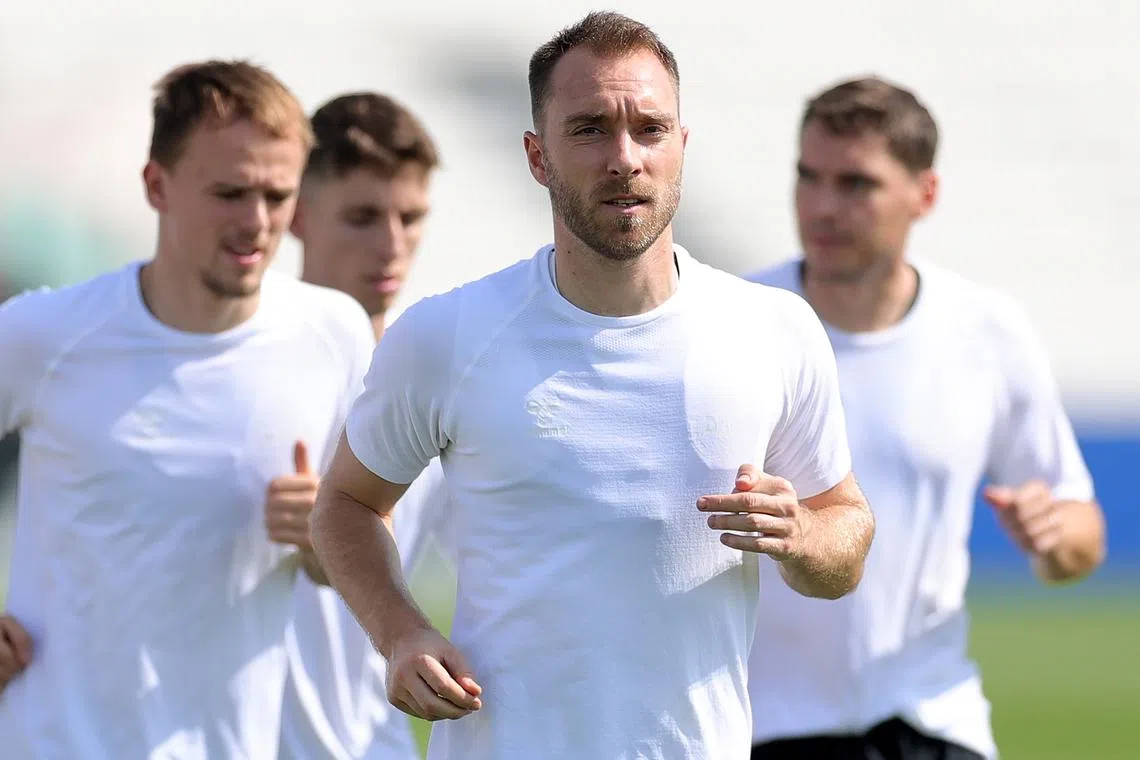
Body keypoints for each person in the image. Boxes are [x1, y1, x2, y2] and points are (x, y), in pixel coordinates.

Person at [309, 12, 876, 760]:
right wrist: (400, 632)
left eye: (650, 129)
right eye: (589, 130)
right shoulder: (448, 334)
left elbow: (845, 531)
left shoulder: (774, 328)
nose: (624, 158)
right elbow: (346, 505)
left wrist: (801, 533)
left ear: (682, 144)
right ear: (537, 157)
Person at [0, 60, 377, 759]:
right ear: (157, 186)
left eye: (277, 195)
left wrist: (325, 535)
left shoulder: (335, 333)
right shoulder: (43, 335)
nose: (256, 222)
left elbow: (360, 561)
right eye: (229, 193)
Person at [745, 76, 1106, 760]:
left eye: (856, 184)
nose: (823, 206)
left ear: (925, 194)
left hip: (934, 723)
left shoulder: (987, 332)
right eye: (808, 177)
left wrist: (1054, 535)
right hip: (764, 728)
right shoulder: (738, 322)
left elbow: (1081, 529)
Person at [273, 91, 451, 760]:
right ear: (296, 213)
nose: (392, 245)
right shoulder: (233, 365)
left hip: (374, 741)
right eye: (363, 217)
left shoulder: (438, 380)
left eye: (411, 217)